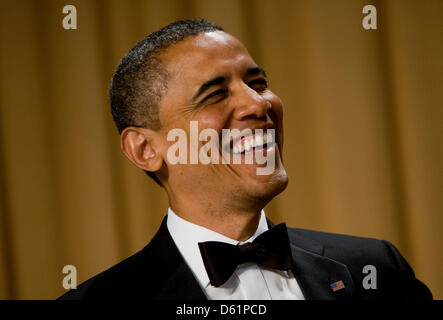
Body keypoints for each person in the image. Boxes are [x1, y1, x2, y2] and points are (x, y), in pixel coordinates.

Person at [59, 20, 432, 300]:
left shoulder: (375, 269)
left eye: (257, 83)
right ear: (145, 149)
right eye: (215, 94)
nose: (258, 104)